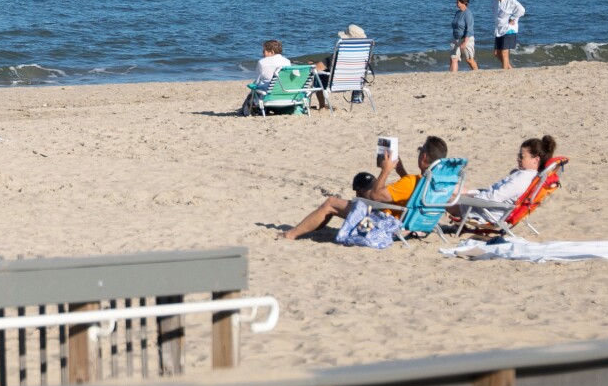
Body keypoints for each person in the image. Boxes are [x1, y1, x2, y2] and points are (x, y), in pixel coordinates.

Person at [278, 135, 448, 240]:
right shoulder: (438, 182)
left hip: (383, 223)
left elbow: (376, 196)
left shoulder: (410, 182)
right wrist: (401, 170)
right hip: (417, 223)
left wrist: (386, 170)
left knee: (331, 203)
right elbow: (412, 191)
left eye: (420, 152)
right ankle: (308, 229)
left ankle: (290, 234)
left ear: (424, 157)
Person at [448, 136, 557, 227]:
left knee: (441, 196)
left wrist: (469, 197)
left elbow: (494, 197)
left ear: (536, 160)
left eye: (521, 156)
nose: (518, 159)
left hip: (486, 212)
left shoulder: (522, 179)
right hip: (491, 206)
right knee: (452, 188)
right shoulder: (531, 177)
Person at [239, 40, 291, 116]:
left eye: (264, 50)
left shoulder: (262, 62)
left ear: (272, 52)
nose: (262, 53)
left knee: (253, 90)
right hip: (283, 96)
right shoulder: (287, 62)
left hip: (267, 98)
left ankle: (246, 110)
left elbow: (257, 82)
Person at [492, 0, 526, 70]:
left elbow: (522, 10)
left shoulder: (510, 0)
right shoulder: (496, 1)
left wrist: (513, 18)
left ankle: (504, 71)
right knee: (497, 53)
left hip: (509, 29)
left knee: (504, 52)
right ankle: (510, 69)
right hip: (499, 29)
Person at [449, 0, 478, 72]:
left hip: (466, 38)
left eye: (458, 1)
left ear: (463, 2)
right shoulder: (457, 12)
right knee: (453, 59)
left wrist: (465, 42)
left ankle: (477, 72)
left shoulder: (468, 13)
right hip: (455, 39)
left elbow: (469, 28)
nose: (456, 3)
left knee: (469, 59)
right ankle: (452, 76)